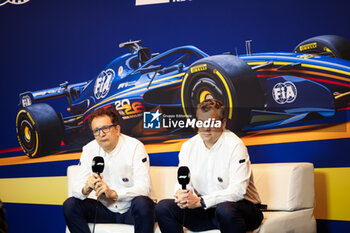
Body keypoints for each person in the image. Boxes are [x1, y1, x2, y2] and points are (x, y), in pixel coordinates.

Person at [155, 99, 263, 233]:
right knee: (163, 207)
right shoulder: (188, 146)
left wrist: (202, 202)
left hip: (242, 210)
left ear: (223, 123)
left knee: (225, 210)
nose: (206, 127)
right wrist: (181, 195)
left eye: (212, 122)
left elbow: (238, 191)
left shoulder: (235, 146)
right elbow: (183, 182)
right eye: (202, 122)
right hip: (206, 211)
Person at [63, 108, 155, 233]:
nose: (101, 134)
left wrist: (113, 193)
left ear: (117, 129)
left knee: (143, 203)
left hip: (130, 210)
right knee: (70, 205)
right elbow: (76, 188)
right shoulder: (89, 149)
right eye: (96, 131)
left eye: (105, 128)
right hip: (104, 210)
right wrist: (86, 188)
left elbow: (143, 188)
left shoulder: (135, 147)